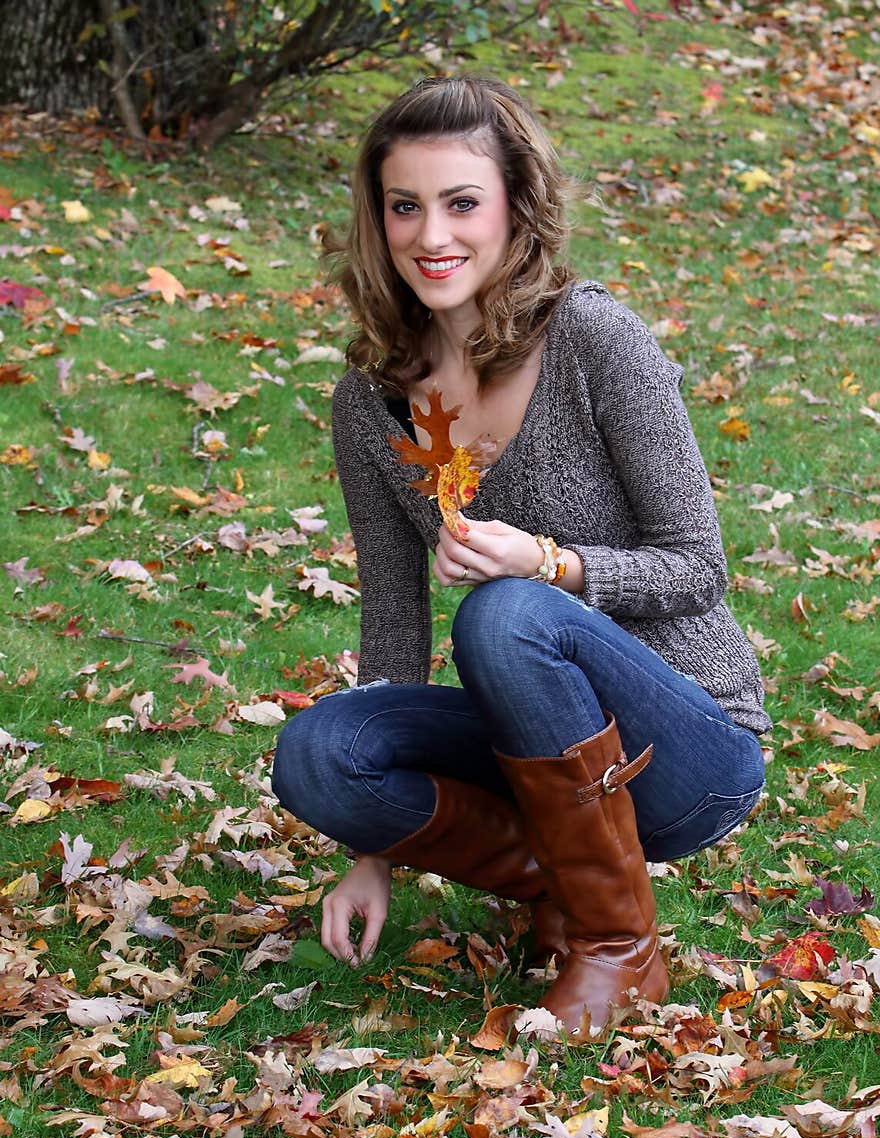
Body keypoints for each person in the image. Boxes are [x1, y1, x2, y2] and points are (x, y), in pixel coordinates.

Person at [271, 74, 771, 1036]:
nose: (431, 236)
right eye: (404, 206)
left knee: (505, 612)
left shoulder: (595, 339)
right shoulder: (370, 396)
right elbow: (392, 611)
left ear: (516, 208)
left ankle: (618, 944)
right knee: (322, 753)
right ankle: (571, 884)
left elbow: (698, 567)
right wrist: (367, 846)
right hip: (538, 745)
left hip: (687, 748)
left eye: (462, 203)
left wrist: (551, 564)